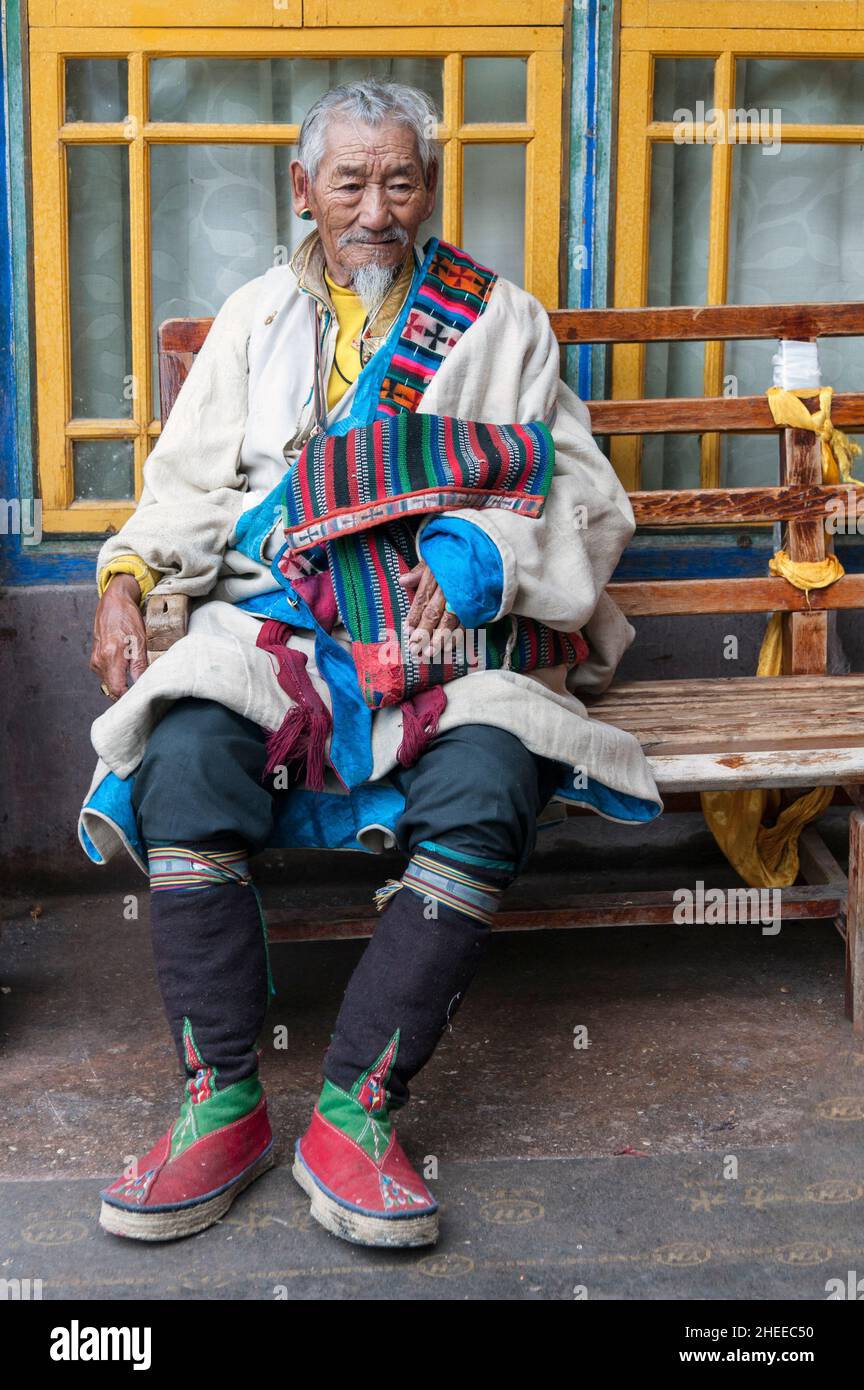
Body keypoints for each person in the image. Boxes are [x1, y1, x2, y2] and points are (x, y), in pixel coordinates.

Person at [82, 79, 662, 1248]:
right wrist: (125, 580)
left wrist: (477, 558)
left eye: (401, 180)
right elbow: (187, 493)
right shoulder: (251, 320)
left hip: (446, 642)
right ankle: (224, 1102)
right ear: (303, 190)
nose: (376, 208)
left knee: (494, 778)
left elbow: (586, 495)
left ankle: (357, 1107)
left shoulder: (503, 321)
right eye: (349, 181)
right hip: (277, 638)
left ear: (429, 188)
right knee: (185, 758)